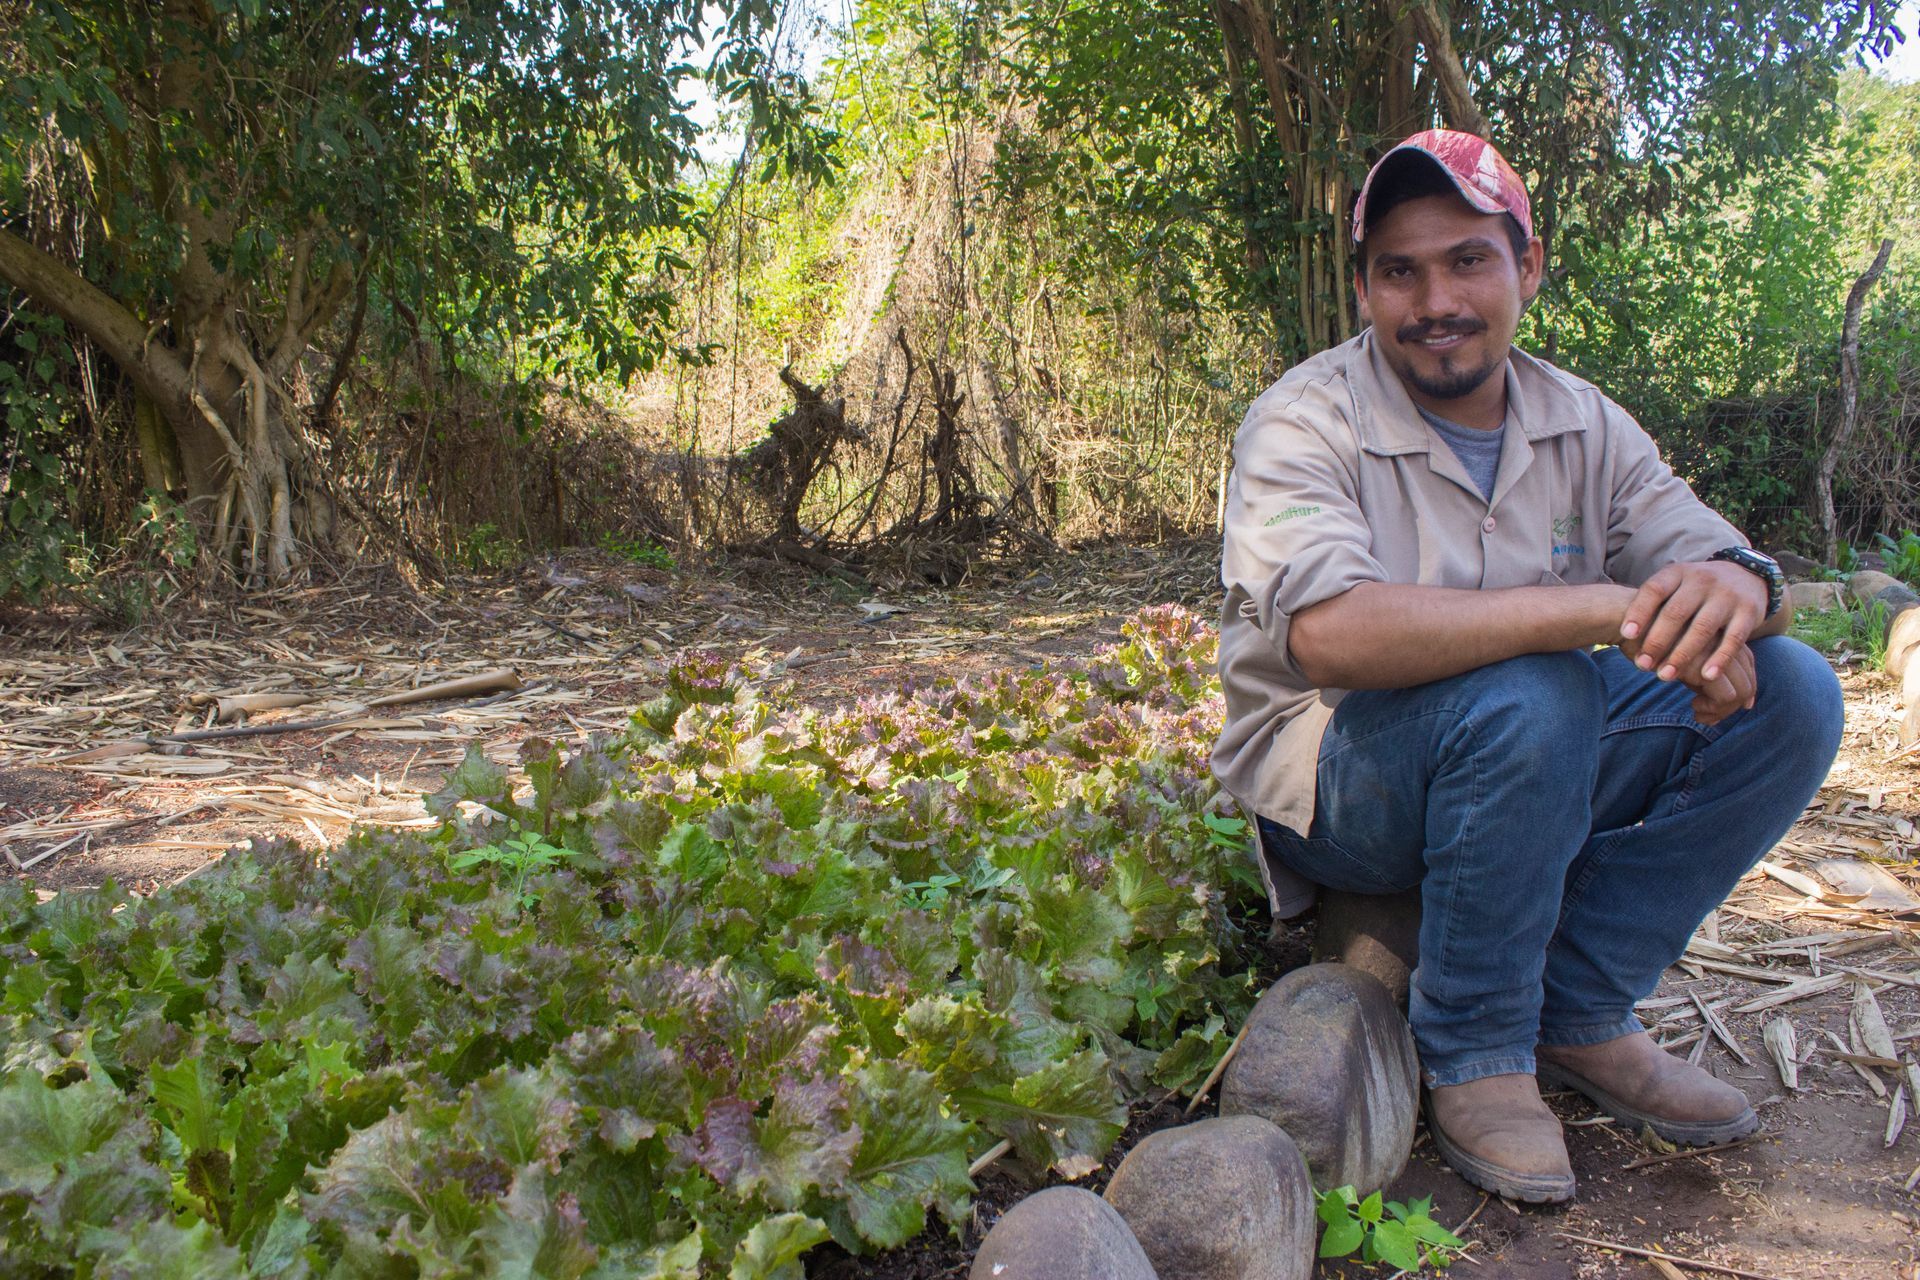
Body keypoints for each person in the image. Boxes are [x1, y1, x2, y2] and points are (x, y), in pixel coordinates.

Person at [1210, 129, 1844, 1204]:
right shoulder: (1303, 418)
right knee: (1539, 684)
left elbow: (1704, 544)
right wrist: (1597, 609)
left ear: (1528, 267)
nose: (1435, 298)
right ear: (1364, 288)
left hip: (1520, 748)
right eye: (1400, 270)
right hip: (1337, 776)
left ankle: (1580, 1006)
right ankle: (1476, 1047)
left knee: (1792, 693)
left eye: (1468, 260)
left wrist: (1741, 590)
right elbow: (1330, 635)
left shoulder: (1580, 420)